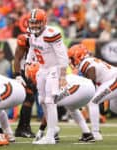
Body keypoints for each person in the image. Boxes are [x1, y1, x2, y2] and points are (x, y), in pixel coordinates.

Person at [25, 8, 68, 144]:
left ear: (44, 22)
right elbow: (32, 48)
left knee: (50, 101)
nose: (34, 26)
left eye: (37, 23)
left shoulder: (52, 34)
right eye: (32, 23)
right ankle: (53, 128)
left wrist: (62, 76)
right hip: (42, 69)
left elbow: (62, 56)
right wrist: (28, 62)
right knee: (42, 100)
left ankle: (50, 136)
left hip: (54, 69)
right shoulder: (31, 35)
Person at [67, 44, 117, 140]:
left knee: (93, 101)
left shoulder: (85, 63)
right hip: (112, 80)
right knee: (114, 107)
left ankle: (95, 133)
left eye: (72, 58)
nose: (71, 61)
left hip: (114, 80)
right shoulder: (88, 61)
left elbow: (91, 82)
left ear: (78, 56)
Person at [33, 74, 96, 144]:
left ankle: (53, 133)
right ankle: (87, 134)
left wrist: (41, 130)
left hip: (79, 87)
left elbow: (49, 107)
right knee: (71, 107)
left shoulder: (49, 79)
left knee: (50, 103)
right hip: (91, 88)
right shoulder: (51, 74)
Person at [13, 33, 37, 138]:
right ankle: (24, 128)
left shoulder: (45, 37)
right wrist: (18, 75)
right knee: (29, 98)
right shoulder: (25, 39)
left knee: (30, 100)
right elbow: (17, 58)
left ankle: (21, 128)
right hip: (25, 72)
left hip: (36, 72)